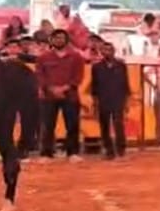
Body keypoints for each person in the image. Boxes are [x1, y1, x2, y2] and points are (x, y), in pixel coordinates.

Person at [36, 29, 86, 161]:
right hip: (48, 97)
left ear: (66, 40)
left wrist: (65, 88)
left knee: (72, 125)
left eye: (62, 38)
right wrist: (51, 88)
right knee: (47, 125)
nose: (59, 40)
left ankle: (72, 153)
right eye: (56, 37)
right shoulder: (43, 58)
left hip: (70, 96)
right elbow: (40, 76)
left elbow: (78, 76)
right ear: (51, 40)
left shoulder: (76, 57)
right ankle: (46, 154)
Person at [90, 40, 130, 160]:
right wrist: (95, 102)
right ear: (101, 52)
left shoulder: (121, 66)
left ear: (114, 51)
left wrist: (126, 101)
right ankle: (109, 150)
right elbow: (94, 86)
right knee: (104, 125)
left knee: (118, 124)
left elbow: (125, 85)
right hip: (103, 99)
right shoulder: (96, 67)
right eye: (104, 50)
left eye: (109, 50)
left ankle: (121, 150)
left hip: (118, 99)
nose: (107, 52)